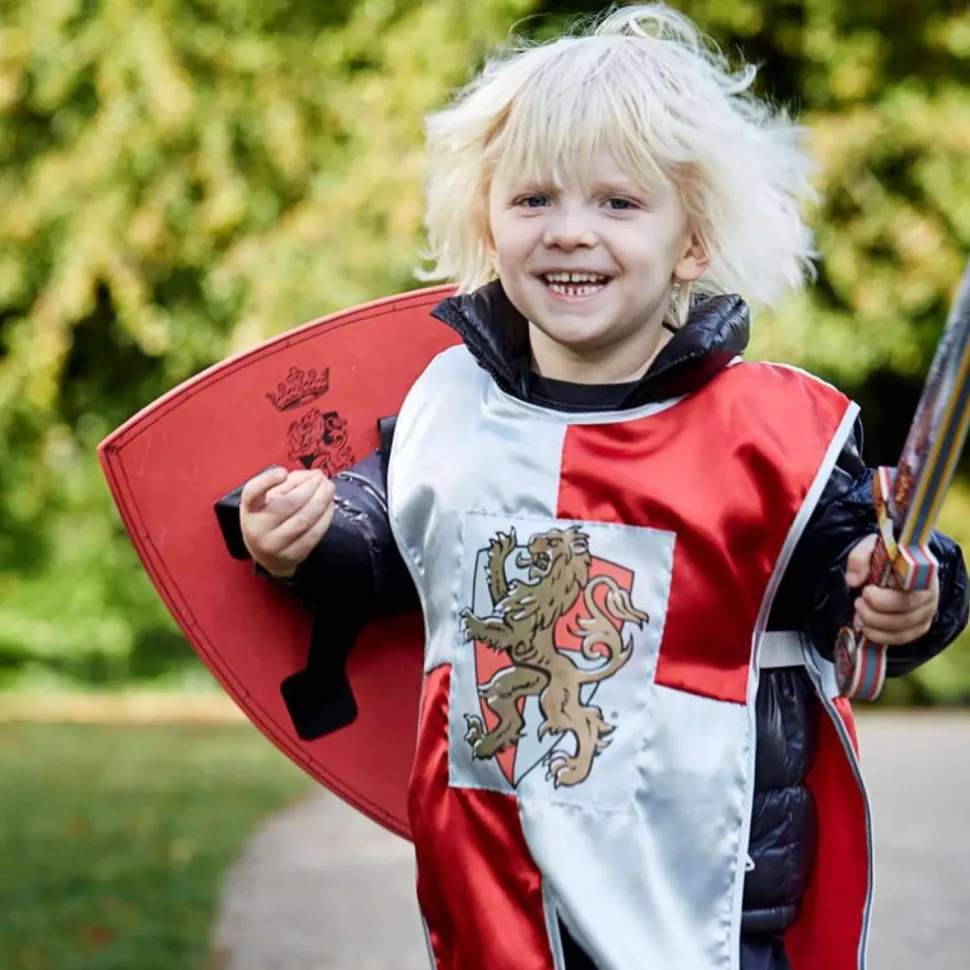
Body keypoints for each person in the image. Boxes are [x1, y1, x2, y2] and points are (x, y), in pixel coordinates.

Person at [218, 6, 969, 970]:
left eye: (618, 203)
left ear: (690, 243)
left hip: (714, 903)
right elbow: (384, 537)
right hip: (503, 895)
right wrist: (305, 538)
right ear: (487, 223)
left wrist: (906, 588)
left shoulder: (779, 437)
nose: (571, 232)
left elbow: (854, 573)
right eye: (533, 200)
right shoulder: (451, 406)